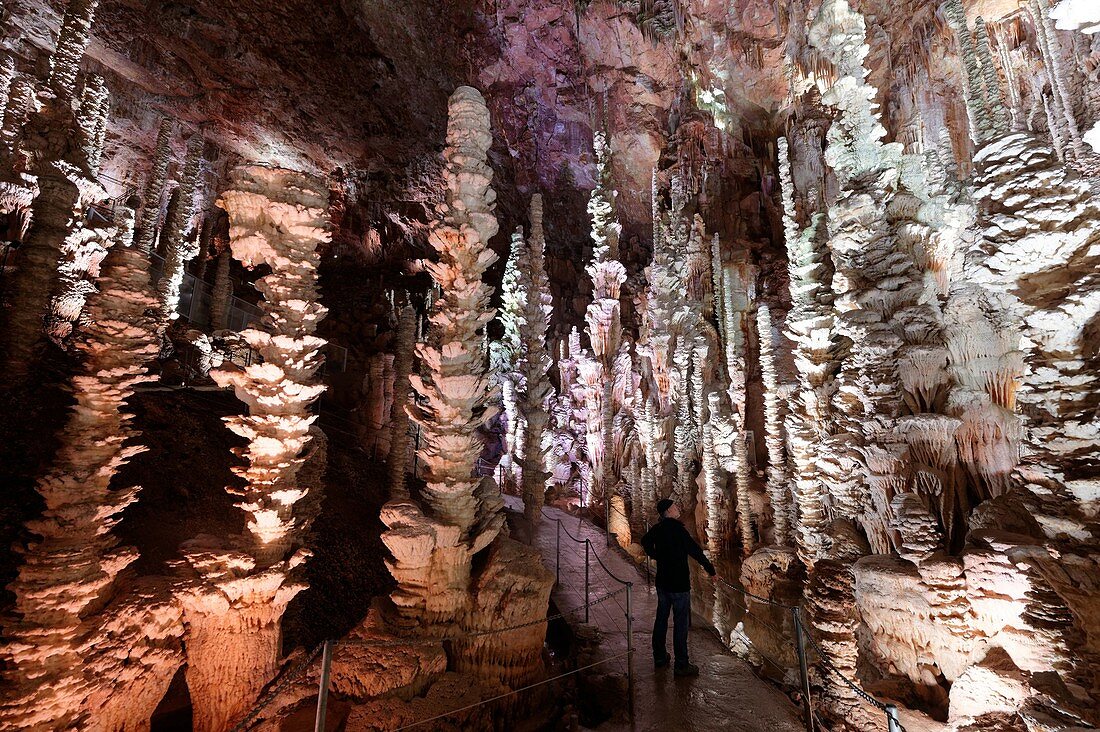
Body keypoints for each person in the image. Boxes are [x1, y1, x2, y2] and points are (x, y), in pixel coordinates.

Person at [640, 498, 716, 677]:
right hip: (679, 584)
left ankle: (659, 657)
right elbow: (696, 552)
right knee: (681, 624)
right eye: (674, 507)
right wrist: (711, 570)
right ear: (668, 511)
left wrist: (656, 555)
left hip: (663, 583)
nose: (677, 508)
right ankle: (681, 664)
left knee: (661, 619)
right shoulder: (679, 531)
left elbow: (645, 541)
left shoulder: (658, 529)